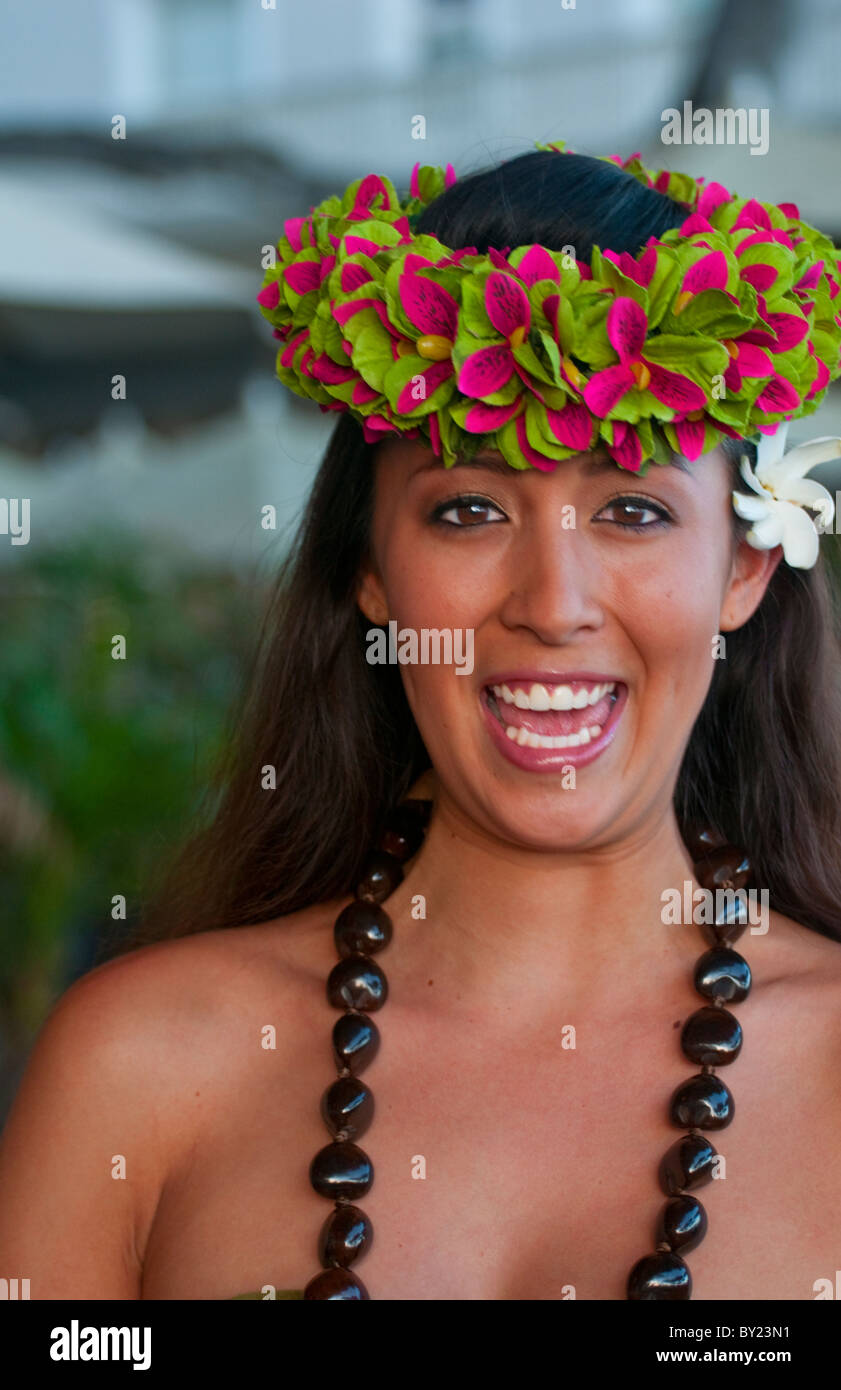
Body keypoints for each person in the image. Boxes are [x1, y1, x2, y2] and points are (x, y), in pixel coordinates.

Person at [2, 142, 841, 1302]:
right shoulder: (139, 1070)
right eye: (468, 507)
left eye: (632, 509)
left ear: (742, 572)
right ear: (373, 571)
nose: (552, 605)